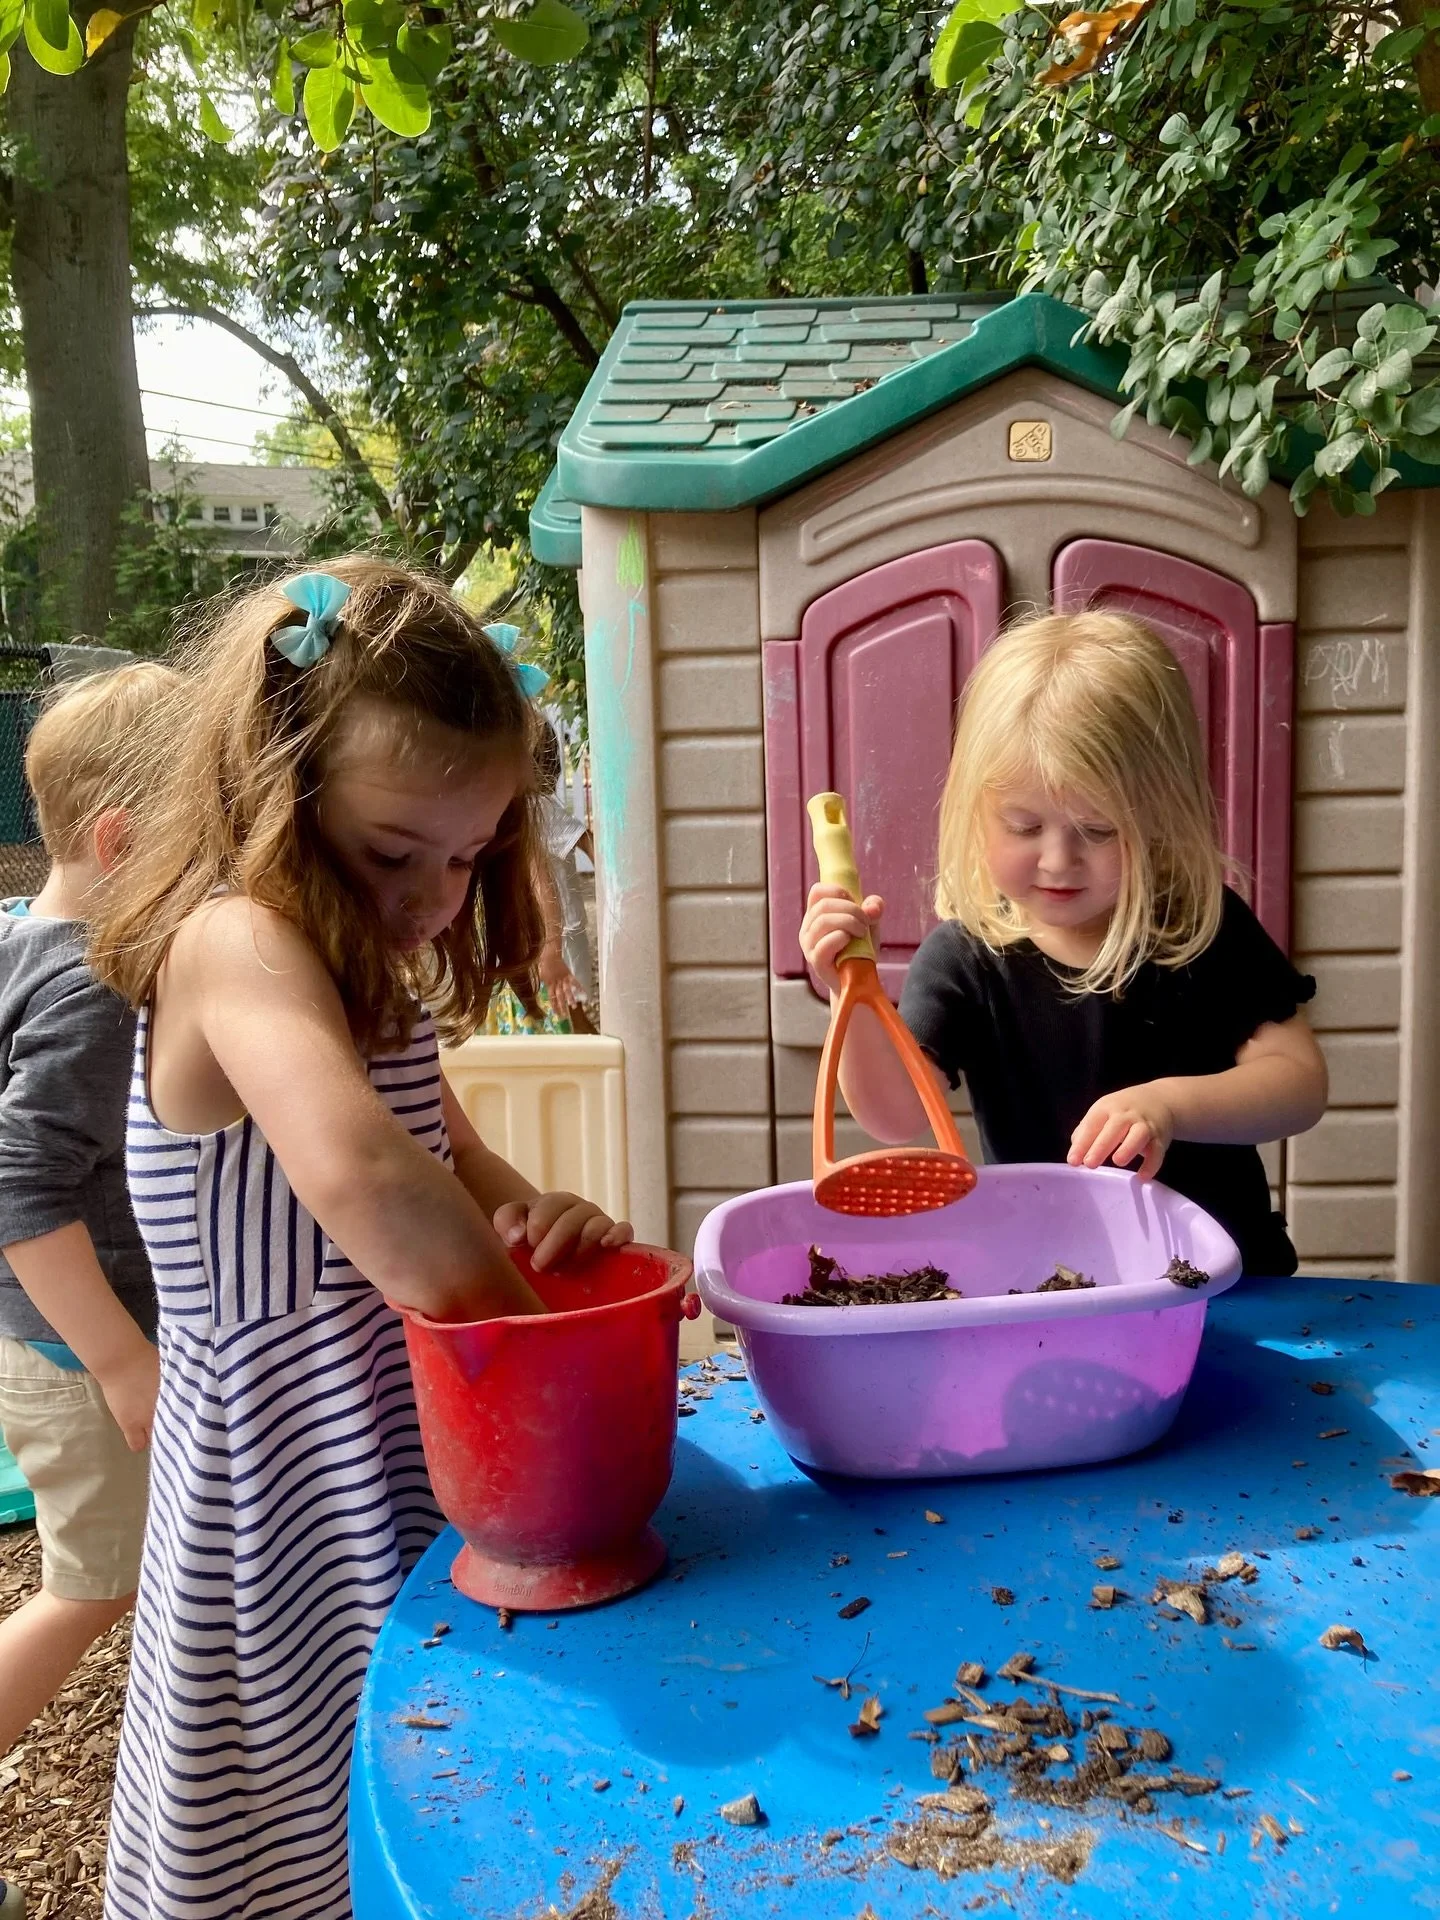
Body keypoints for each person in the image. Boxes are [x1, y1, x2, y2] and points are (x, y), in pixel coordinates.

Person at [87, 561, 632, 1920]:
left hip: (390, 1433)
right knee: (300, 1803)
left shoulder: (355, 972)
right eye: (398, 853)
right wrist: (555, 1365)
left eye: (470, 856)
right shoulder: (232, 941)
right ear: (277, 786)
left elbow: (450, 1160)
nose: (438, 895)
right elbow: (367, 1176)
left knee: (418, 1777)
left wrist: (536, 1221)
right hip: (284, 1485)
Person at [799, 610, 1328, 1276]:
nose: (1058, 861)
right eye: (1025, 827)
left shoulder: (1200, 927)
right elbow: (894, 1114)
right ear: (975, 812)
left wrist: (1167, 1106)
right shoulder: (966, 960)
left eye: (1099, 830)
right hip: (1051, 1284)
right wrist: (851, 990)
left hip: (1229, 1282)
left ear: (1160, 815)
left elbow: (1298, 1084)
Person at [0, 664, 179, 1920]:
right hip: (81, 1349)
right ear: (118, 844)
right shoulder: (96, 985)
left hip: (46, 1336)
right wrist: (121, 1358)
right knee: (89, 1585)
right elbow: (18, 1182)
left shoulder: (24, 935)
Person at [486, 719, 596, 1035]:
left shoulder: (536, 807)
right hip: (544, 939)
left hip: (555, 938)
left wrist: (551, 949)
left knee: (566, 1016)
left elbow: (583, 845)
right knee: (561, 1018)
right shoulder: (517, 811)